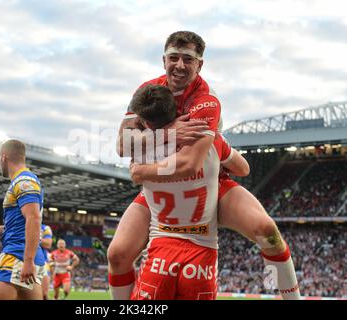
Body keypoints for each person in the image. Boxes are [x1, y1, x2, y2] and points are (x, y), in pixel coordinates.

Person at [108, 30, 300, 300]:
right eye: (173, 57)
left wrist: (140, 170)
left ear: (200, 64)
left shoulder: (205, 100)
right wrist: (170, 132)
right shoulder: (147, 92)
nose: (179, 65)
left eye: (188, 59)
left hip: (208, 183)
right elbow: (122, 145)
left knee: (266, 232)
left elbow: (189, 162)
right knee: (117, 254)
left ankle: (292, 298)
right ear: (164, 60)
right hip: (163, 186)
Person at [128, 84, 249, 299]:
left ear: (145, 122)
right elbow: (243, 169)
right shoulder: (210, 142)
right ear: (176, 112)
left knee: (117, 255)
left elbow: (133, 164)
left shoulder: (140, 156)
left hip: (161, 249)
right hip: (201, 253)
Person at [0, 138, 45, 300]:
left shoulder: (23, 181)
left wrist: (28, 260)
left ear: (3, 157)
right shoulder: (23, 181)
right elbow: (21, 224)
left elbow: (34, 219)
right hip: (25, 255)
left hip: (16, 256)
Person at [40, 223, 53, 300]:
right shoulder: (20, 224)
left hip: (42, 262)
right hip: (22, 260)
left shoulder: (45, 228)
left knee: (44, 294)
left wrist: (31, 236)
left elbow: (48, 244)